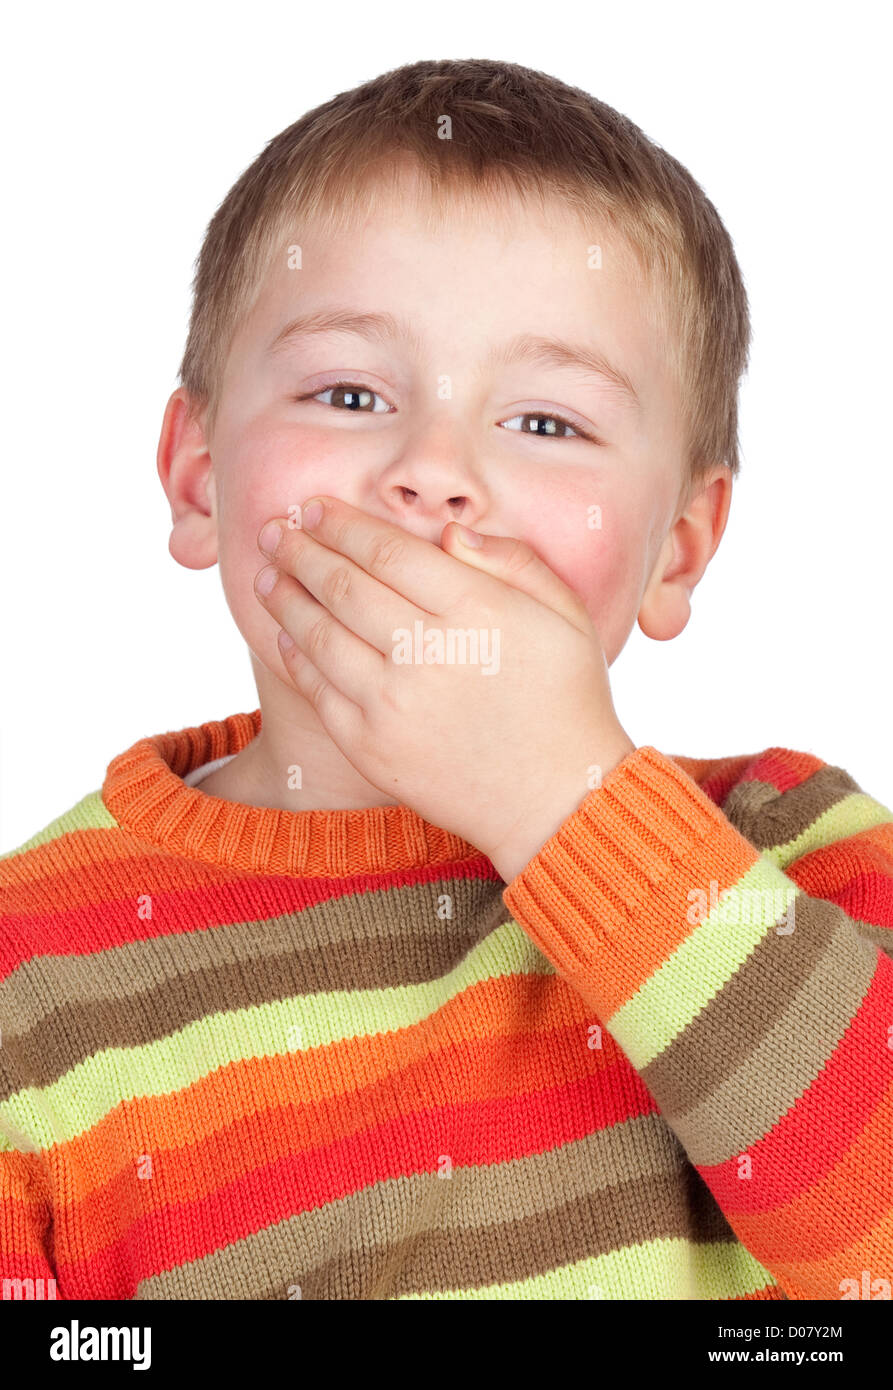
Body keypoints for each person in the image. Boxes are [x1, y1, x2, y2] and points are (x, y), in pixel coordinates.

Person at [2, 58, 891, 1302]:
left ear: (677, 547)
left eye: (545, 422)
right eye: (350, 392)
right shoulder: (29, 978)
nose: (433, 471)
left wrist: (565, 800)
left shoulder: (788, 852)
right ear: (199, 472)